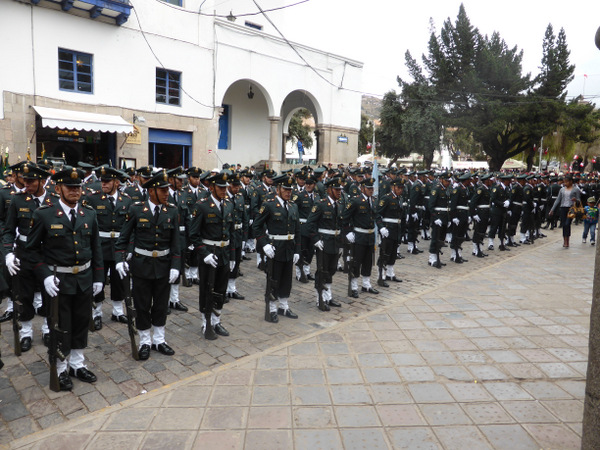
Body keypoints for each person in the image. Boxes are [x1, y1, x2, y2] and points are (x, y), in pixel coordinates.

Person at [26, 166, 104, 391]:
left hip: (84, 279)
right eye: (70, 187)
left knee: (81, 323)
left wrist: (98, 276)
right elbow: (31, 250)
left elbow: (95, 246)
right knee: (61, 326)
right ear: (58, 188)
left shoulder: (89, 213)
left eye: (78, 187)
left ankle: (77, 364)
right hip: (58, 282)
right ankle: (60, 368)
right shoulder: (44, 214)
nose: (75, 191)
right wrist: (46, 276)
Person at [115, 170, 181, 360]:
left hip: (164, 264)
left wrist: (176, 266)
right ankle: (145, 340)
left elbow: (176, 242)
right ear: (151, 191)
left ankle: (159, 340)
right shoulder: (136, 209)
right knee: (142, 305)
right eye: (162, 190)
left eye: (167, 189)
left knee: (161, 305)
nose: (167, 192)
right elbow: (123, 239)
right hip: (141, 266)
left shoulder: (172, 210)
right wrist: (120, 261)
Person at [2, 163, 57, 351]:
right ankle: (26, 332)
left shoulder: (54, 199)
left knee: (49, 294)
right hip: (24, 253)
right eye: (25, 180)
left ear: (42, 180)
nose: (27, 184)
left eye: (31, 181)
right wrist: (8, 253)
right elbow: (8, 230)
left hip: (47, 253)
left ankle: (48, 329)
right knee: (24, 294)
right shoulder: (18, 200)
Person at [84, 166, 133, 328]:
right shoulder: (92, 198)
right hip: (100, 245)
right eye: (102, 181)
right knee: (98, 278)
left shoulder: (126, 200)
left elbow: (130, 227)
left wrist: (129, 248)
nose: (103, 184)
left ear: (116, 183)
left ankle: (118, 311)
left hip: (119, 246)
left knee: (119, 279)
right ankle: (96, 312)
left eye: (107, 181)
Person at [189, 171, 235, 339]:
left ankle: (216, 320)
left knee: (221, 288)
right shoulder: (201, 205)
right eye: (220, 187)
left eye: (225, 187)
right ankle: (205, 321)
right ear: (212, 187)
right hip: (209, 254)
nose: (224, 190)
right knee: (207, 289)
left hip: (223, 253)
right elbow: (193, 234)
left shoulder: (229, 205)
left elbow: (231, 233)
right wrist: (204, 253)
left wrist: (233, 256)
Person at [253, 174, 301, 322]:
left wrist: (298, 250)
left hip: (289, 248)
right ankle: (272, 308)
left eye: (290, 190)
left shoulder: (293, 206)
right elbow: (256, 226)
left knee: (287, 279)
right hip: (275, 247)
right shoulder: (269, 204)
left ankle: (283, 306)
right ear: (278, 188)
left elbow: (297, 230)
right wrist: (264, 243)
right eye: (286, 189)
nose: (288, 192)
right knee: (274, 278)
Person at [306, 177, 344, 311]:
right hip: (324, 242)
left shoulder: (339, 204)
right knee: (322, 271)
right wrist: (316, 239)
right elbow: (310, 223)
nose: (339, 192)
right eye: (336, 189)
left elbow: (340, 225)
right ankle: (319, 299)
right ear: (329, 190)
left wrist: (341, 244)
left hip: (335, 243)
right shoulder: (321, 204)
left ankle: (328, 296)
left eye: (340, 189)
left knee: (331, 270)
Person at [342, 176, 379, 296]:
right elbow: (344, 218)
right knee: (356, 261)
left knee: (368, 261)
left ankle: (366, 284)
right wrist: (348, 232)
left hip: (370, 236)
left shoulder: (373, 200)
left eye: (372, 188)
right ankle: (353, 286)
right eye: (368, 188)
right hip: (359, 236)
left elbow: (376, 216)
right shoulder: (355, 201)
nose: (371, 190)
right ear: (362, 188)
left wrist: (382, 227)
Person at [550, 174, 581, 248]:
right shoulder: (562, 189)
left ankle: (568, 240)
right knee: (564, 224)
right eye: (564, 182)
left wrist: (575, 200)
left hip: (571, 209)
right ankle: (565, 240)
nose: (565, 183)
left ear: (570, 182)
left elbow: (579, 200)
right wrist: (552, 209)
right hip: (563, 208)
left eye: (566, 182)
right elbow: (558, 199)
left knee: (567, 224)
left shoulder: (575, 189)